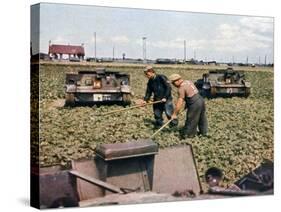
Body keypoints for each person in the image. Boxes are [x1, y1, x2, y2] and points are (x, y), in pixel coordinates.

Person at [169, 73, 208, 138]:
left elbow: (180, 102)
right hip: (200, 100)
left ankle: (189, 135)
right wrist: (187, 105)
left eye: (173, 83)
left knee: (191, 119)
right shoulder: (188, 81)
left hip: (194, 103)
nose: (173, 85)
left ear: (178, 80)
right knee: (202, 117)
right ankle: (204, 132)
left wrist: (175, 114)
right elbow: (190, 93)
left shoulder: (181, 88)